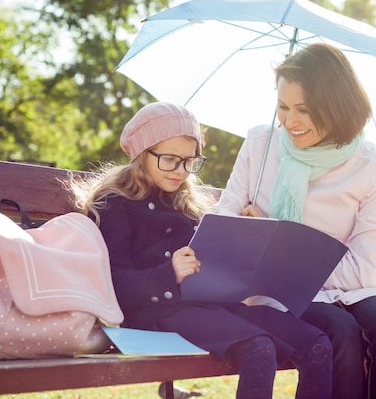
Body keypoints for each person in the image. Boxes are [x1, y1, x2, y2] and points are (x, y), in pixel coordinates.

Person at [67, 101, 334, 399]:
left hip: (213, 308)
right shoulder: (115, 203)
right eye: (169, 159)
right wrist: (167, 275)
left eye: (190, 161)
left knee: (316, 342)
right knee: (259, 346)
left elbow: (213, 265)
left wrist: (249, 243)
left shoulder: (189, 204)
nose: (181, 171)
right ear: (141, 154)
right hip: (155, 317)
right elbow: (112, 285)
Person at [213, 43, 376, 399]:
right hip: (275, 295)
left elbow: (367, 268)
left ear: (335, 106)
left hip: (351, 289)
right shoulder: (260, 145)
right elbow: (224, 220)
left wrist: (280, 255)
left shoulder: (374, 166)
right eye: (282, 107)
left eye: (303, 110)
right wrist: (249, 234)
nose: (289, 122)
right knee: (340, 331)